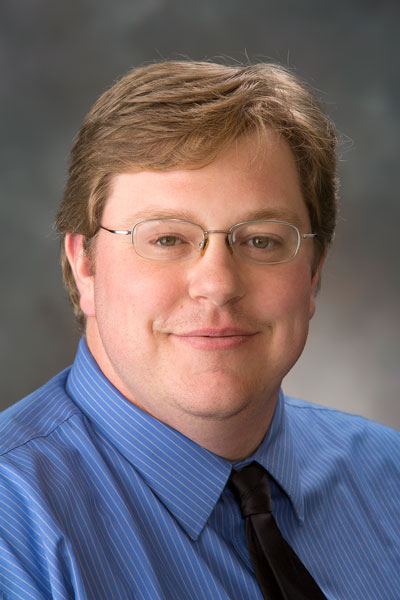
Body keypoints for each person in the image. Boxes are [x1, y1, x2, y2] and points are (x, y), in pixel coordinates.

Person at [0, 60, 399, 600]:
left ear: (314, 272)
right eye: (167, 239)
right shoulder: (14, 529)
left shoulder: (389, 475)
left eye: (261, 240)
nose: (218, 285)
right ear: (85, 266)